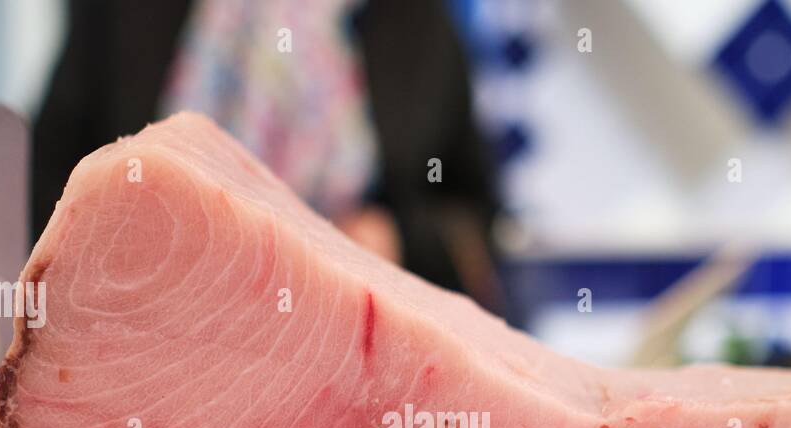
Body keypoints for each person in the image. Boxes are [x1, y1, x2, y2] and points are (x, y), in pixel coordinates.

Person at [30, 0, 504, 312]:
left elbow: (473, 214)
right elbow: (46, 181)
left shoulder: (416, 21)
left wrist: (394, 237)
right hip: (156, 326)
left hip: (348, 336)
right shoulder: (124, 13)